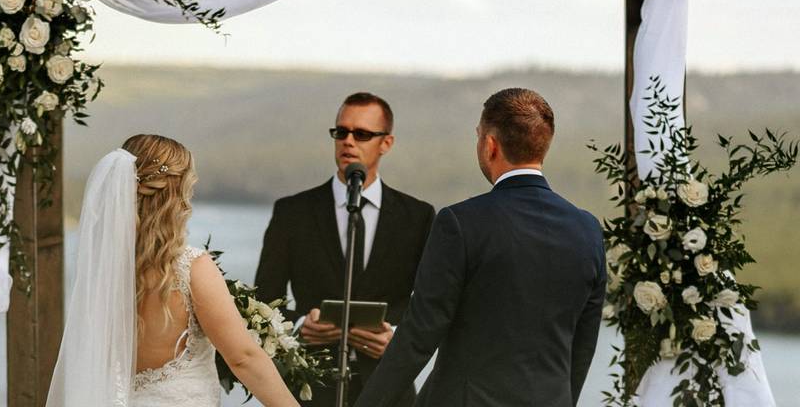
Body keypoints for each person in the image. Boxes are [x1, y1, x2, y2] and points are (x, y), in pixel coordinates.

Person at [354, 88, 605, 407]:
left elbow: (419, 335)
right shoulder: (588, 231)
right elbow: (583, 346)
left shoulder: (459, 223)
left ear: (490, 145)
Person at [46, 134, 299, 407]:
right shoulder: (192, 268)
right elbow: (243, 358)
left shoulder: (103, 275)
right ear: (174, 195)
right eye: (188, 187)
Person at [255, 92, 435, 406]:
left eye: (362, 134)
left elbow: (430, 304)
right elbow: (265, 299)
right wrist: (299, 327)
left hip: (388, 389)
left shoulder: (418, 216)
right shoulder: (292, 212)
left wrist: (393, 334)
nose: (348, 141)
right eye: (341, 132)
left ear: (386, 143)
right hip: (309, 387)